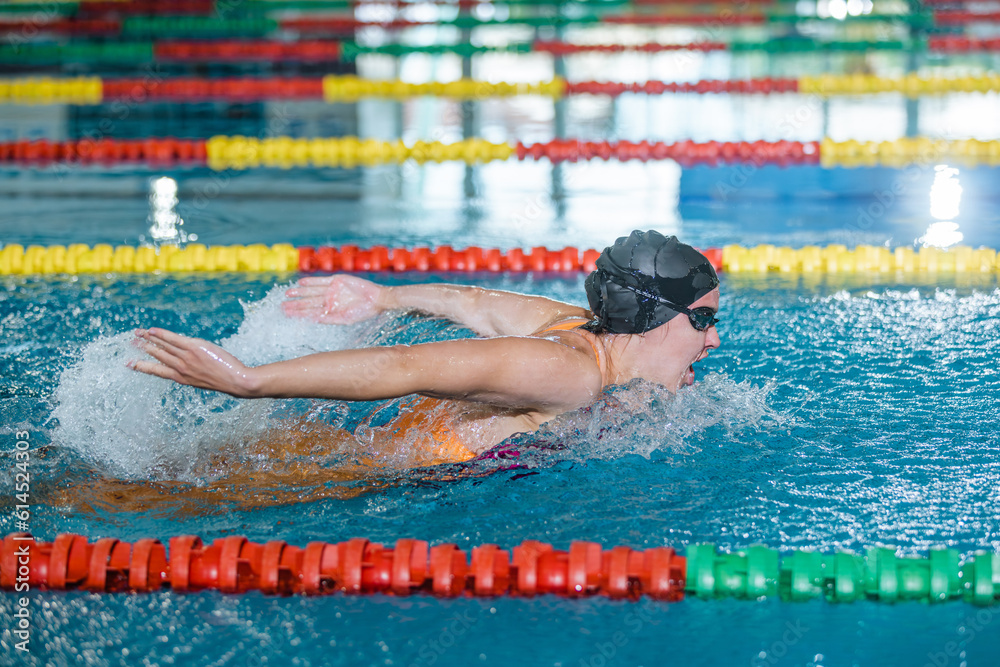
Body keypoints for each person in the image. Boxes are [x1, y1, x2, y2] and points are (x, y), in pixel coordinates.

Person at [128, 230, 722, 469]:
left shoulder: (572, 323)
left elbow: (470, 300)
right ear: (648, 319)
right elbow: (405, 366)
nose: (714, 339)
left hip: (366, 447)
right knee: (138, 495)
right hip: (354, 472)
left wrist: (382, 298)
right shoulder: (563, 372)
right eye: (701, 321)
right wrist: (249, 380)